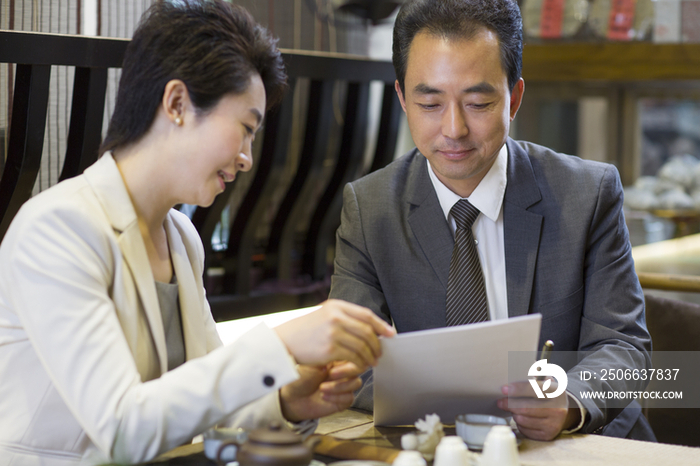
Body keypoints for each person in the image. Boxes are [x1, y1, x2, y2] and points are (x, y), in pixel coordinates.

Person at [0, 1, 395, 464]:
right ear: (177, 103)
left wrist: (286, 401)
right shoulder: (57, 229)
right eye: (246, 128)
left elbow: (204, 403)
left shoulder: (182, 238)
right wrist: (281, 342)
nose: (248, 156)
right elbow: (123, 428)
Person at [329, 0, 654, 441]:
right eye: (429, 103)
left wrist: (569, 398)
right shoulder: (370, 210)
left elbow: (624, 347)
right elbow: (354, 364)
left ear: (514, 98)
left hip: (582, 446)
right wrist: (461, 404)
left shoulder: (587, 194)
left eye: (478, 103)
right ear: (403, 98)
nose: (454, 129)